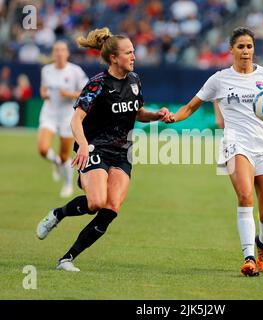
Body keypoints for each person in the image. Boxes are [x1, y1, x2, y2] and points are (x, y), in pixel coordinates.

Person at [166, 27, 263, 276]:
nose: (245, 51)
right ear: (231, 50)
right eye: (240, 47)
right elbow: (191, 106)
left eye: (249, 46)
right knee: (244, 196)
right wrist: (173, 118)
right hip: (236, 144)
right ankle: (248, 257)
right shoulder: (219, 79)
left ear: (254, 49)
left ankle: (262, 245)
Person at [36, 27, 170, 272]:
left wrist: (156, 116)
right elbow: (76, 120)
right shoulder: (97, 84)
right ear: (113, 58)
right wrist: (84, 146)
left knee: (111, 208)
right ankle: (58, 214)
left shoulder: (134, 80)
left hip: (122, 152)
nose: (134, 56)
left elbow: (138, 113)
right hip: (95, 147)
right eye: (129, 53)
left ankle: (66, 259)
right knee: (96, 202)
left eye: (133, 52)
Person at [38, 41, 88, 198]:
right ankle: (56, 162)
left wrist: (68, 94)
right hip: (49, 113)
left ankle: (67, 185)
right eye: (56, 50)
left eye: (62, 50)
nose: (59, 53)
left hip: (68, 116)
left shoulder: (75, 71)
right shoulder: (47, 70)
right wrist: (44, 93)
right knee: (43, 149)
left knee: (65, 155)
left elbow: (86, 92)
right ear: (53, 53)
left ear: (67, 53)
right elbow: (43, 89)